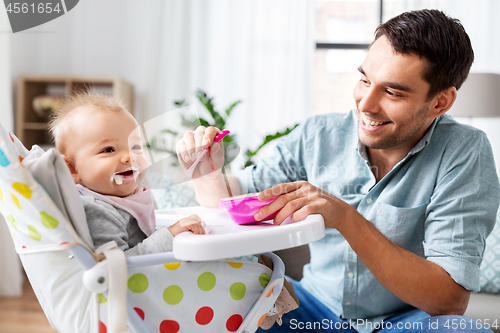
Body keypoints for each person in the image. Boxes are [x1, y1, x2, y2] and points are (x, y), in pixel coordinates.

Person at [177, 9, 500, 333]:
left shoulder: (464, 151)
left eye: (392, 92)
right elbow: (231, 200)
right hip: (309, 309)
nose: (366, 104)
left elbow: (450, 300)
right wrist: (206, 172)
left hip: (402, 322)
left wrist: (346, 218)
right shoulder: (318, 135)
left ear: (440, 102)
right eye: (364, 80)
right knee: (225, 289)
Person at [49, 93, 205, 256]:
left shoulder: (128, 194)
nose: (130, 156)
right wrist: (170, 235)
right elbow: (115, 266)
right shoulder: (95, 211)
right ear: (72, 169)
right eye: (109, 150)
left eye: (135, 146)